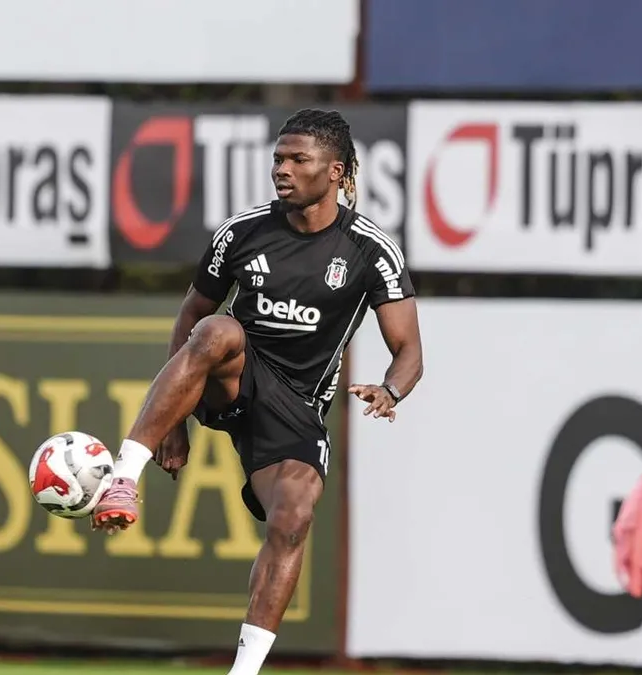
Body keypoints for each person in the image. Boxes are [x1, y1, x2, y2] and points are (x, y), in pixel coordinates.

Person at [91, 109, 423, 675]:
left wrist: (391, 389)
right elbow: (190, 317)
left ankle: (243, 672)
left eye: (298, 160)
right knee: (217, 330)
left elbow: (410, 352)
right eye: (278, 159)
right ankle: (122, 478)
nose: (281, 170)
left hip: (298, 406)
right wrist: (174, 423)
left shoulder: (370, 249)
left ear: (336, 171)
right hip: (234, 373)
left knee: (293, 519)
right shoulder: (241, 232)